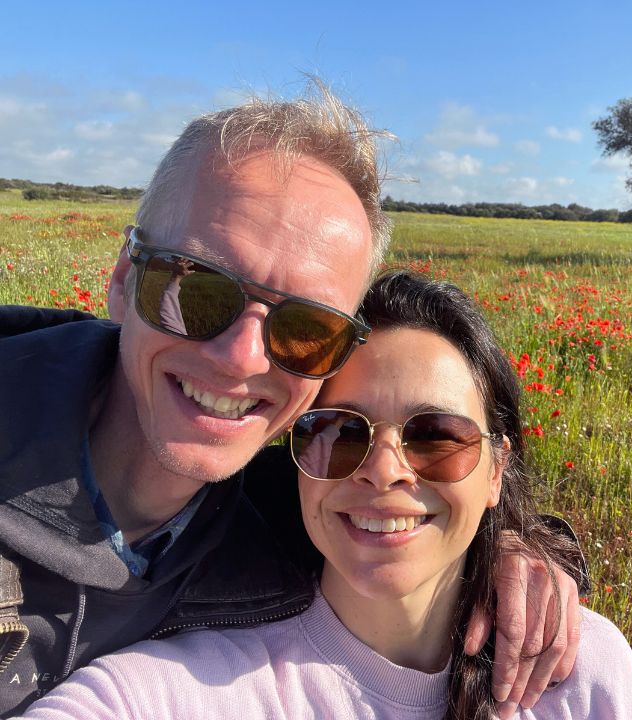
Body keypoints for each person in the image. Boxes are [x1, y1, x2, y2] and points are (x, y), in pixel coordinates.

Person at [0, 83, 581, 716]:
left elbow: (409, 513)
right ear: (122, 278)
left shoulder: (281, 514)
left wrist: (517, 553)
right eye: (196, 290)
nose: (242, 359)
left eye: (305, 328)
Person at [12, 271, 632, 720]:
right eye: (339, 432)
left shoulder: (581, 671)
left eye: (436, 435)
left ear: (496, 470)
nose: (383, 470)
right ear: (295, 459)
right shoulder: (177, 690)